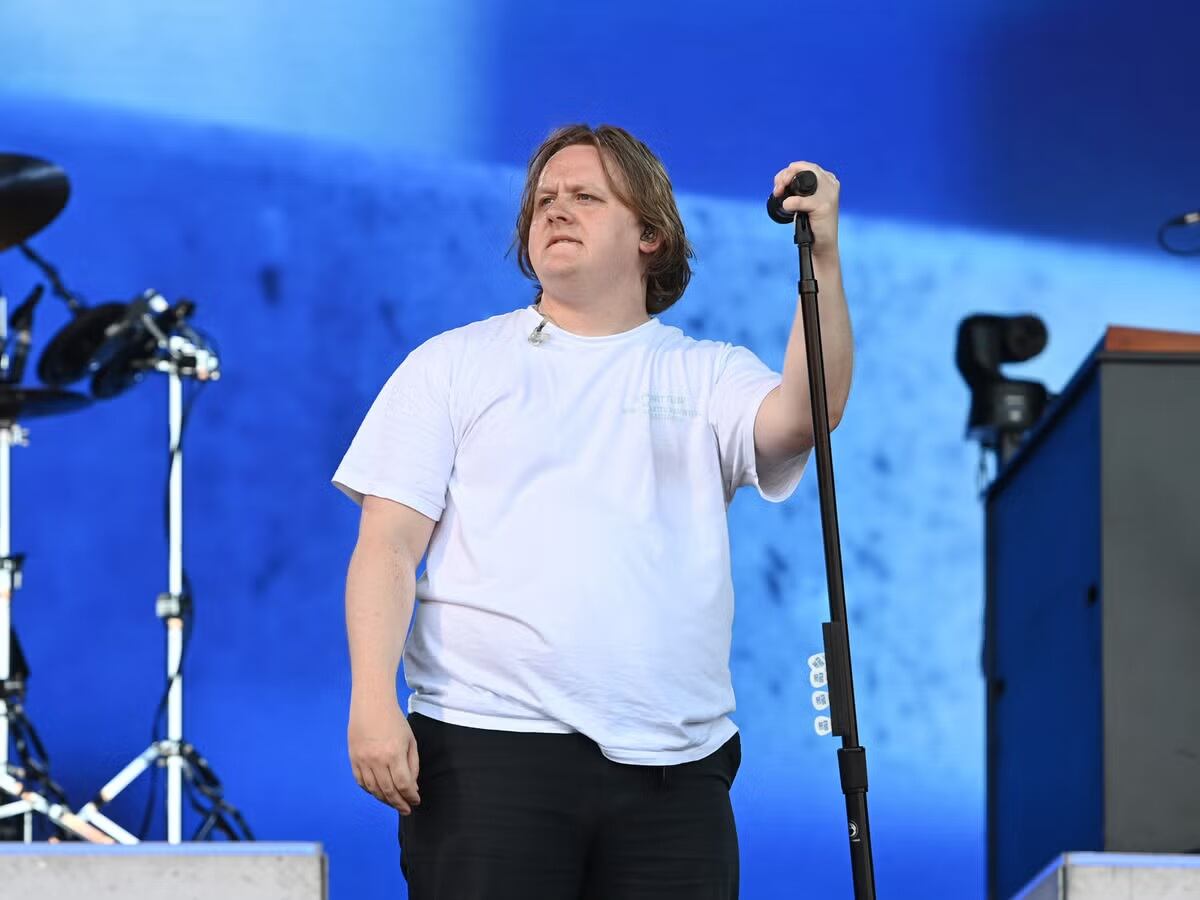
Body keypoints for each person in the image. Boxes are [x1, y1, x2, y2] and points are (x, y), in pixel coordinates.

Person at [333, 123, 853, 899]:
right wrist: (371, 702)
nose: (555, 211)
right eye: (544, 200)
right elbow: (386, 548)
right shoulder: (452, 364)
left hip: (676, 767)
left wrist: (823, 255)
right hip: (487, 748)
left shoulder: (706, 372)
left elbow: (807, 415)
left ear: (651, 233)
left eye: (584, 196)